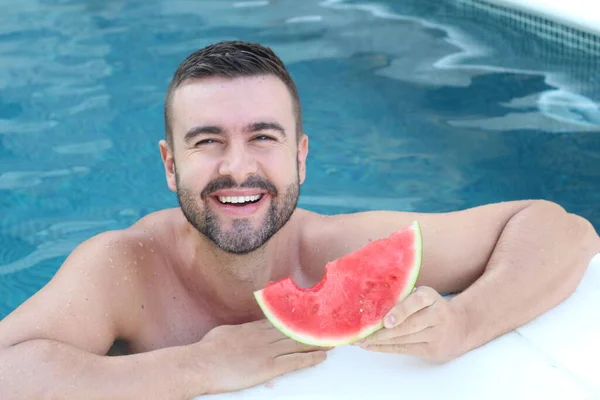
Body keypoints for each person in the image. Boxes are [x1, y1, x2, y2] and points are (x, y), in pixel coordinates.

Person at [1, 40, 599, 400]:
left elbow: (560, 228)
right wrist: (202, 364)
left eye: (263, 137)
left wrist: (466, 322)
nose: (237, 168)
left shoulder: (334, 249)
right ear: (169, 164)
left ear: (301, 156)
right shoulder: (123, 268)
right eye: (208, 141)